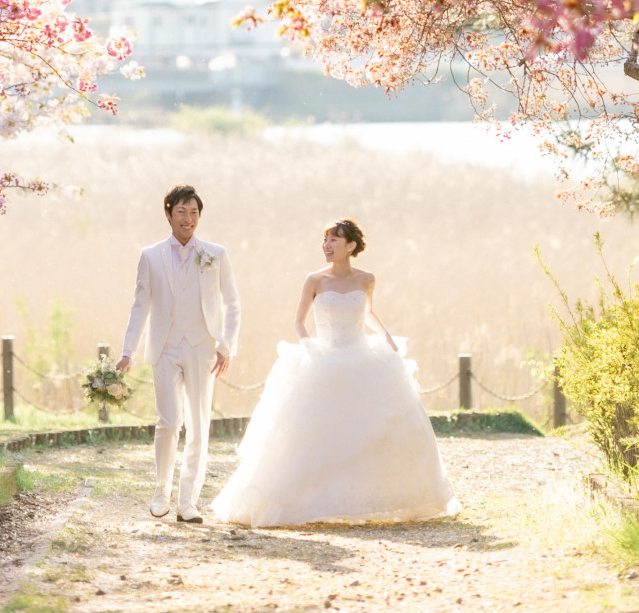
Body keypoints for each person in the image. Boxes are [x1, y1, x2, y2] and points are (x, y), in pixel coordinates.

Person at [211, 218, 460, 527]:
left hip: (361, 356)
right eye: (325, 240)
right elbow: (299, 321)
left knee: (373, 428)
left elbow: (366, 312)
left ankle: (370, 500)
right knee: (312, 431)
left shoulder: (366, 279)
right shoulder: (314, 280)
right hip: (324, 356)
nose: (327, 246)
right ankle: (309, 501)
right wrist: (310, 349)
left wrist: (387, 337)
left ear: (350, 246)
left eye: (334, 240)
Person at [118, 183, 241, 523]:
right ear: (168, 212)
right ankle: (161, 490)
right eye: (182, 212)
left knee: (200, 426)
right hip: (165, 348)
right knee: (169, 422)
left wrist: (225, 344)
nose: (188, 219)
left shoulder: (215, 253)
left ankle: (189, 500)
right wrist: (127, 351)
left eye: (194, 212)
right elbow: (139, 306)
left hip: (203, 349)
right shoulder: (150, 255)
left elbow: (233, 304)